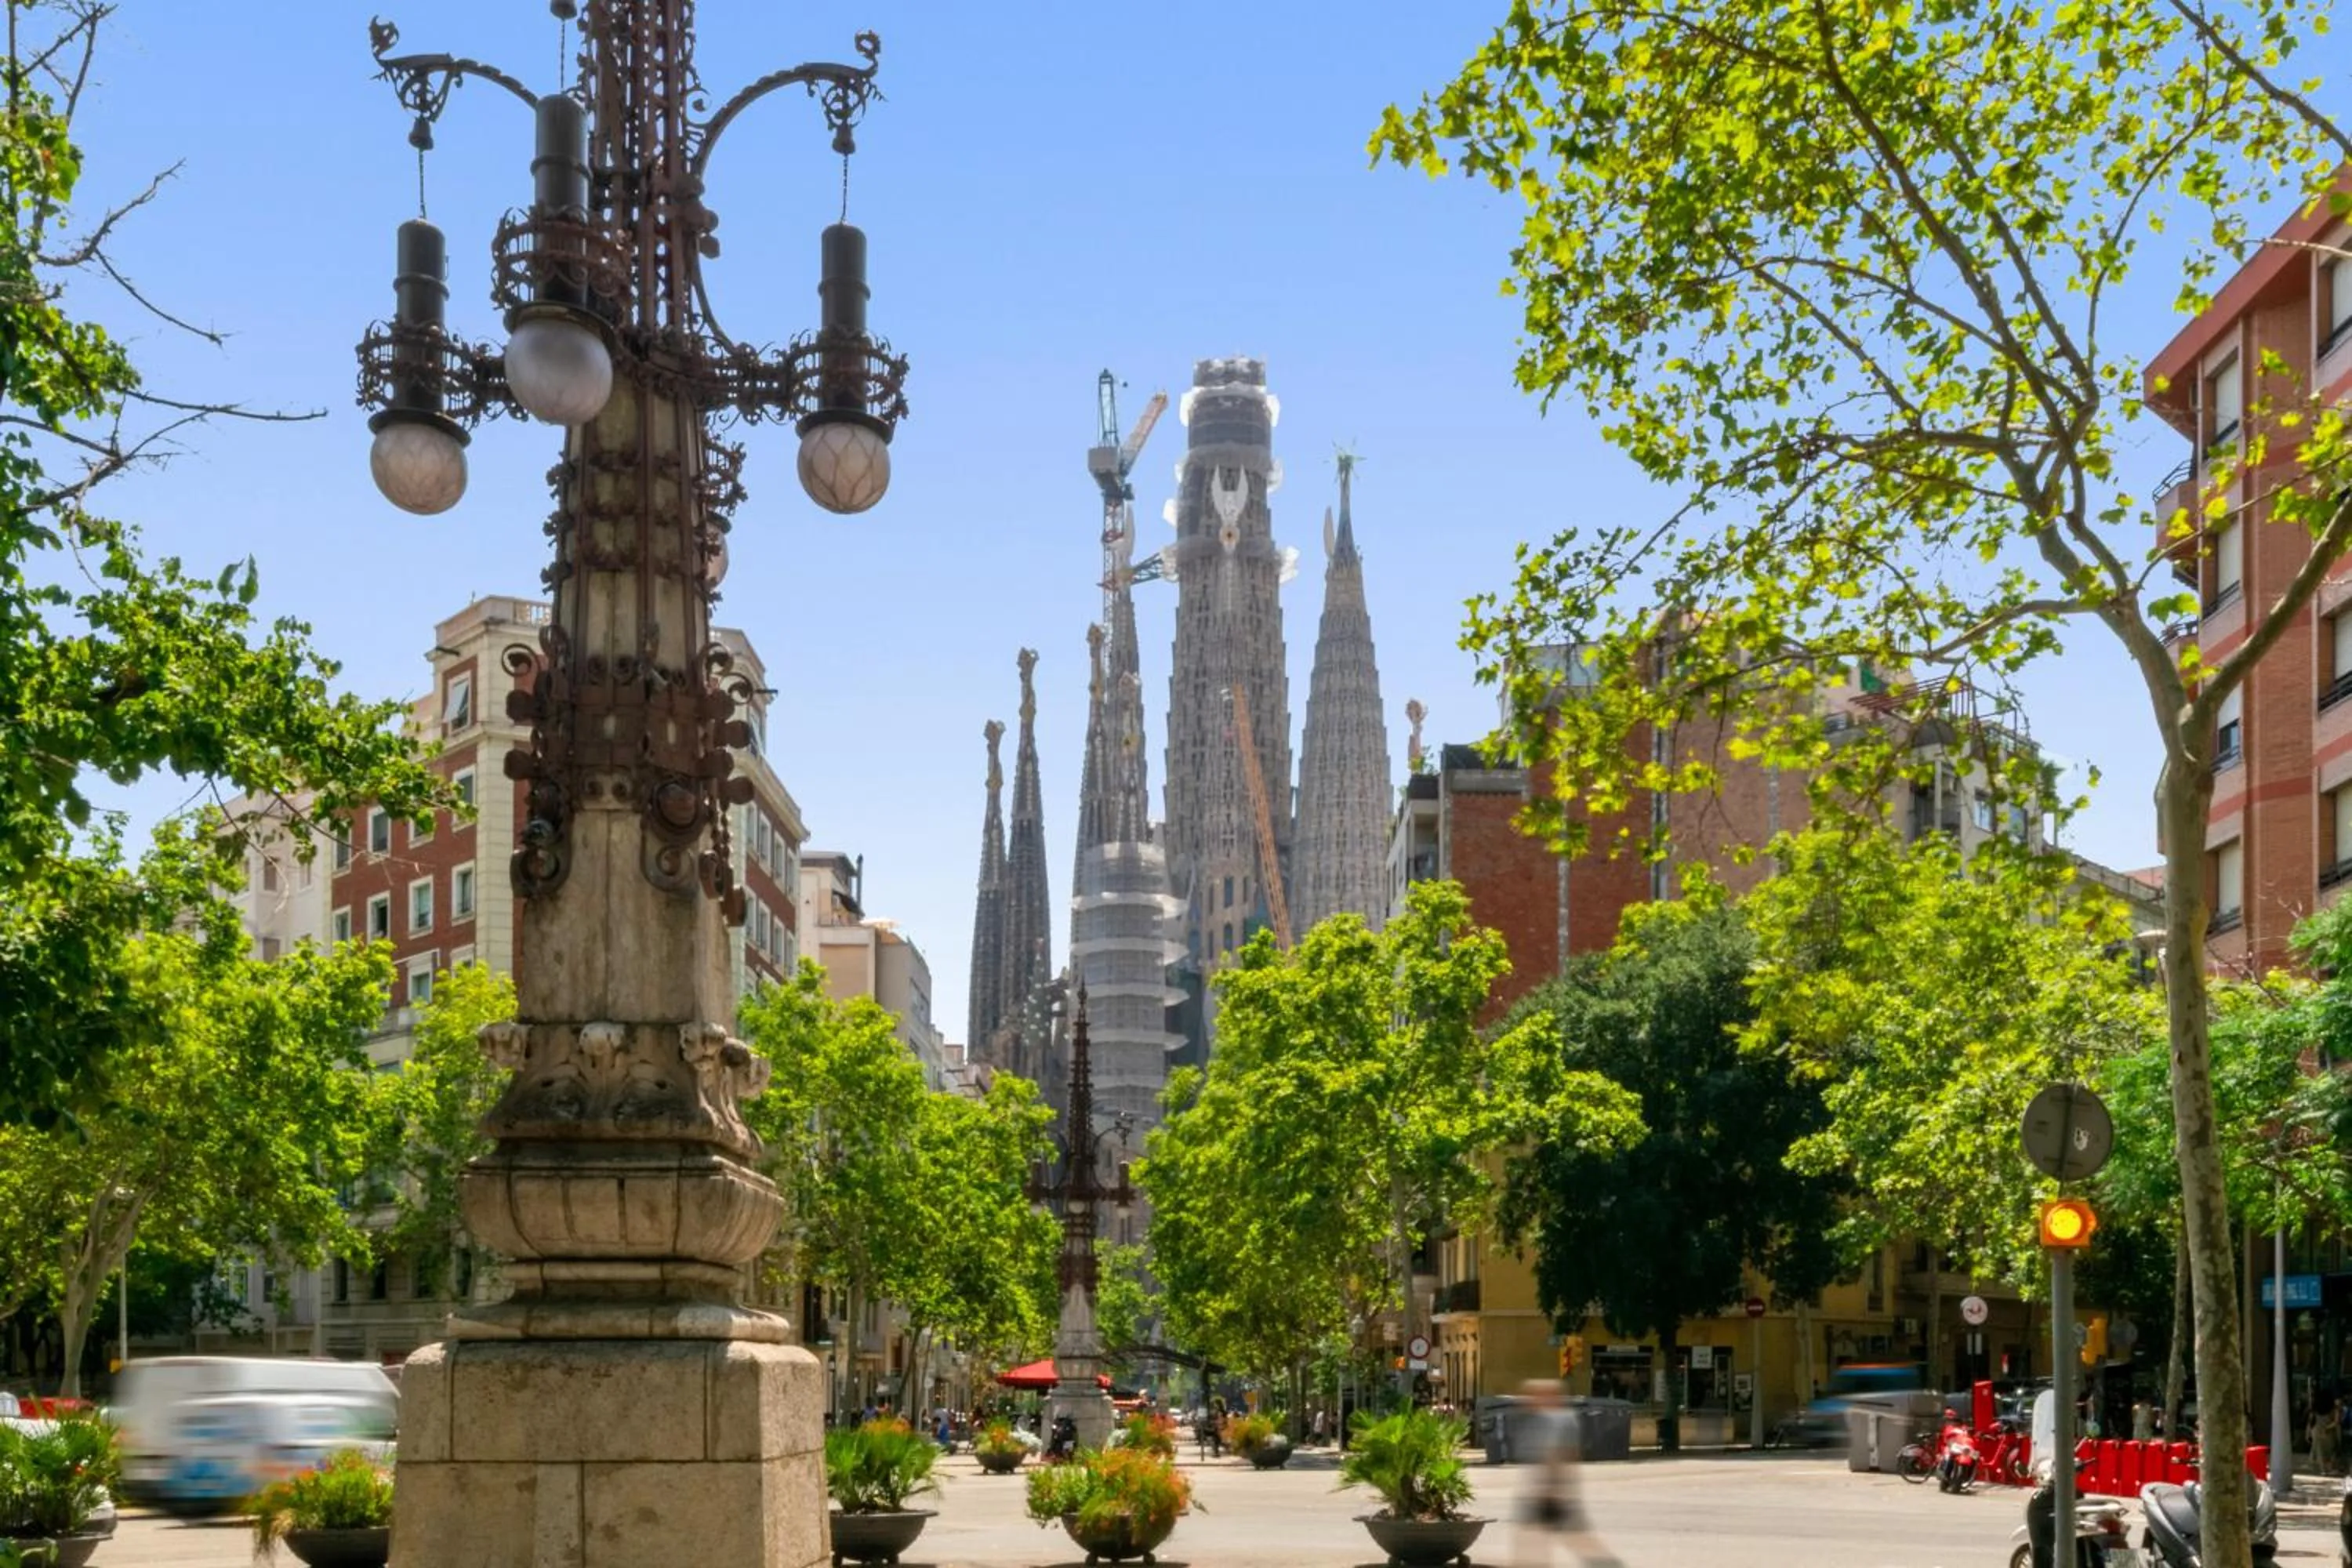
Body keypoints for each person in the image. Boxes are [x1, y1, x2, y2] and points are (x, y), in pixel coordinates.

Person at [1514, 1380, 1621, 1568]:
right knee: (1542, 1540)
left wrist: (1553, 1489)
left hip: (1550, 1492)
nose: (1528, 1400)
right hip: (1545, 1490)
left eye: (1534, 1395)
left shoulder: (1558, 1420)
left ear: (1549, 1397)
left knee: (1572, 1540)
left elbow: (1560, 1455)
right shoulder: (1546, 1418)